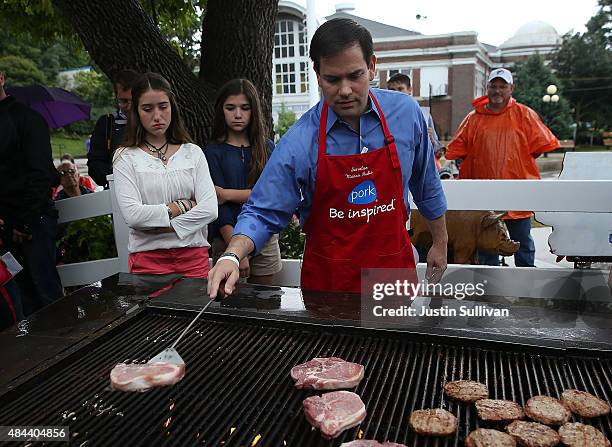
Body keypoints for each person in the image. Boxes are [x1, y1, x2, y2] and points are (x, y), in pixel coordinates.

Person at [208, 18, 448, 298]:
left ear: (371, 67)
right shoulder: (300, 139)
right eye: (333, 79)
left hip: (391, 275)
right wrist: (231, 256)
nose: (344, 90)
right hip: (329, 284)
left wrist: (440, 241)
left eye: (354, 76)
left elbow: (426, 183)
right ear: (318, 74)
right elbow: (263, 209)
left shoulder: (406, 114)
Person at [446, 68, 560, 267]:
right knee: (486, 245)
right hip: (483, 198)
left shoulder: (525, 114)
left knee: (522, 242)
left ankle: (527, 285)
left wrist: (518, 163)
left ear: (511, 89)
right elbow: (457, 151)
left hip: (518, 195)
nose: (497, 90)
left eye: (502, 86)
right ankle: (489, 286)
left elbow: (540, 145)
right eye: (493, 86)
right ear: (486, 88)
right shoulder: (473, 119)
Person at [113, 72, 218, 278]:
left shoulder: (192, 152)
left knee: (195, 310)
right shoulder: (125, 157)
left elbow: (210, 210)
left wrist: (158, 227)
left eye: (163, 106)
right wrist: (183, 205)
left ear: (172, 107)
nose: (157, 116)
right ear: (136, 111)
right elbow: (133, 216)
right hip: (147, 261)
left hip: (193, 259)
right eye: (147, 109)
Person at [205, 79, 282, 285]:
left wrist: (226, 194)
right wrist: (236, 251)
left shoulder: (266, 149)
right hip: (226, 235)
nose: (237, 114)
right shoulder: (213, 151)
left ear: (253, 110)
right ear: (221, 110)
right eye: (230, 108)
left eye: (244, 108)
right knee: (230, 304)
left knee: (265, 302)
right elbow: (217, 208)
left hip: (265, 236)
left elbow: (271, 196)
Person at [0, 69, 63, 316]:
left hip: (33, 220)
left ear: (2, 77)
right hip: (4, 226)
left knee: (47, 293)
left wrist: (24, 222)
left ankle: (65, 351)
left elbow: (41, 174)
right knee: (17, 303)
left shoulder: (28, 119)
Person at [87, 69, 140, 188]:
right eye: (124, 101)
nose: (129, 106)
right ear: (116, 97)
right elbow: (94, 164)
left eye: (134, 100)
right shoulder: (106, 124)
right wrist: (116, 177)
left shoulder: (153, 121)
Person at [386, 73, 442, 169]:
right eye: (392, 90)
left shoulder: (423, 115)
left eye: (400, 89)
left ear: (409, 90)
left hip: (417, 168)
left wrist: (431, 139)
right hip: (393, 167)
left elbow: (437, 149)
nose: (396, 93)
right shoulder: (384, 115)